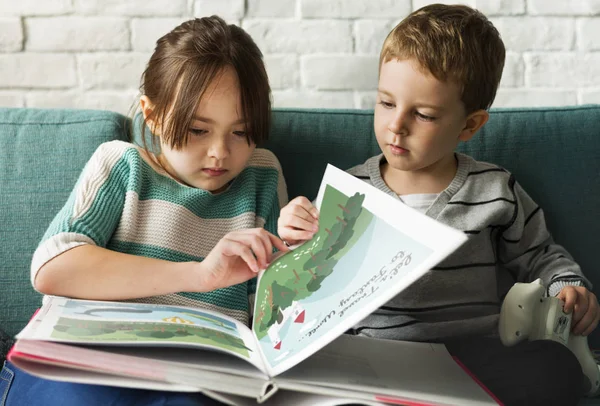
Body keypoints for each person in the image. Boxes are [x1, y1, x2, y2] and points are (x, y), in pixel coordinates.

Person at [277, 4, 599, 405]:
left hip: (466, 354)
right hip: (371, 355)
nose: (397, 126)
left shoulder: (494, 189)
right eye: (386, 103)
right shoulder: (348, 190)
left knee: (554, 368)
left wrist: (567, 284)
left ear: (470, 125)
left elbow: (540, 255)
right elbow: (309, 282)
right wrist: (293, 237)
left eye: (424, 115)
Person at [1, 16, 288, 406]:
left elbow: (273, 314)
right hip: (87, 366)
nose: (221, 151)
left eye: (240, 132)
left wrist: (297, 248)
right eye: (198, 130)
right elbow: (52, 268)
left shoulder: (262, 174)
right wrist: (200, 275)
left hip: (196, 380)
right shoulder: (123, 165)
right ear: (151, 115)